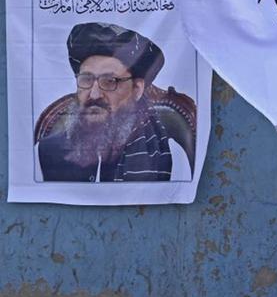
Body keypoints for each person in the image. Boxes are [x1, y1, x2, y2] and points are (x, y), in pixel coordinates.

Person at [37, 22, 177, 182]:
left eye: (110, 81)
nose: (94, 94)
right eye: (86, 79)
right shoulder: (46, 151)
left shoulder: (171, 155)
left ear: (137, 89)